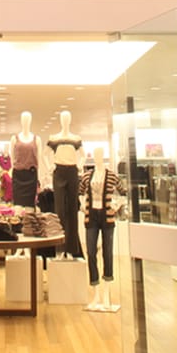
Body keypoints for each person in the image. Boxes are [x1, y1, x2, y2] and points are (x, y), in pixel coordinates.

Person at [80, 147, 120, 310]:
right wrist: (82, 205)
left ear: (103, 156)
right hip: (91, 216)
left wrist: (116, 205)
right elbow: (80, 193)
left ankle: (106, 292)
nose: (97, 157)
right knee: (91, 252)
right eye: (95, 154)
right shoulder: (87, 176)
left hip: (107, 216)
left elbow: (123, 192)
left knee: (107, 252)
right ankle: (95, 291)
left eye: (99, 154)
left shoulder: (112, 175)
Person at [46, 110, 84, 259]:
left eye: (67, 118)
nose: (65, 120)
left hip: (72, 172)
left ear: (70, 119)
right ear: (60, 120)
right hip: (59, 171)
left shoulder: (76, 138)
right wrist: (50, 166)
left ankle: (72, 249)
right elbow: (44, 154)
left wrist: (79, 165)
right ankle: (60, 249)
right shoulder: (54, 138)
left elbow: (83, 155)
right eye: (63, 118)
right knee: (60, 210)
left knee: (72, 210)